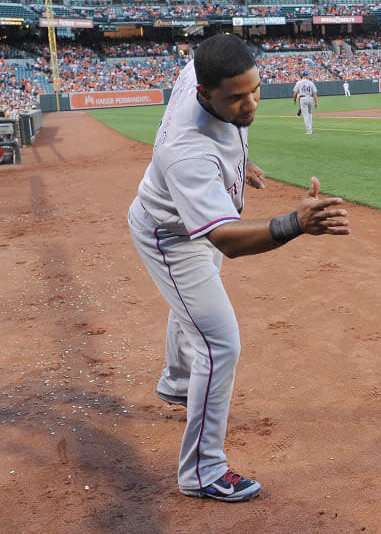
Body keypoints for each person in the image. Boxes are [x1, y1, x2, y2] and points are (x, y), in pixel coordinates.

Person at [127, 35, 350, 502]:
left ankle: (177, 382)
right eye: (235, 97)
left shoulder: (202, 72)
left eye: (255, 90)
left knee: (192, 303)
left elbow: (217, 69)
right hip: (171, 236)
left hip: (197, 211)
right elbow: (226, 240)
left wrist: (238, 165)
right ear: (204, 94)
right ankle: (202, 471)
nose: (250, 104)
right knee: (220, 341)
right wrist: (296, 223)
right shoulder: (188, 151)